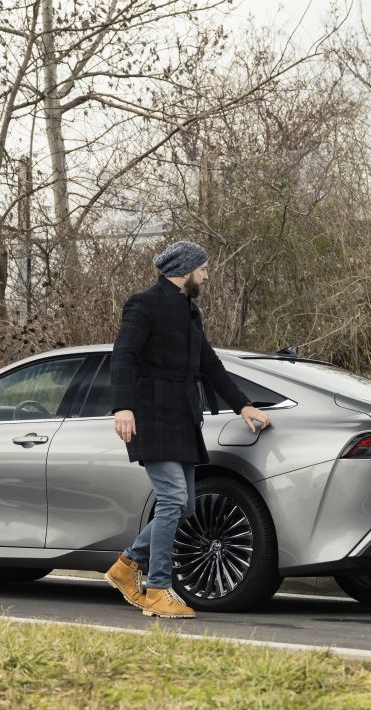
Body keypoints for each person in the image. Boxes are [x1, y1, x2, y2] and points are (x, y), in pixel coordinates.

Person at [104, 241, 272, 619]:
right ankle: (157, 589)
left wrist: (242, 404)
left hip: (182, 418)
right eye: (203, 268)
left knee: (186, 506)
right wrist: (123, 406)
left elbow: (210, 365)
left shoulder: (190, 312)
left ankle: (126, 565)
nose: (207, 274)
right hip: (151, 414)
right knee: (173, 500)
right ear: (184, 269)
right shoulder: (143, 304)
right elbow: (124, 356)